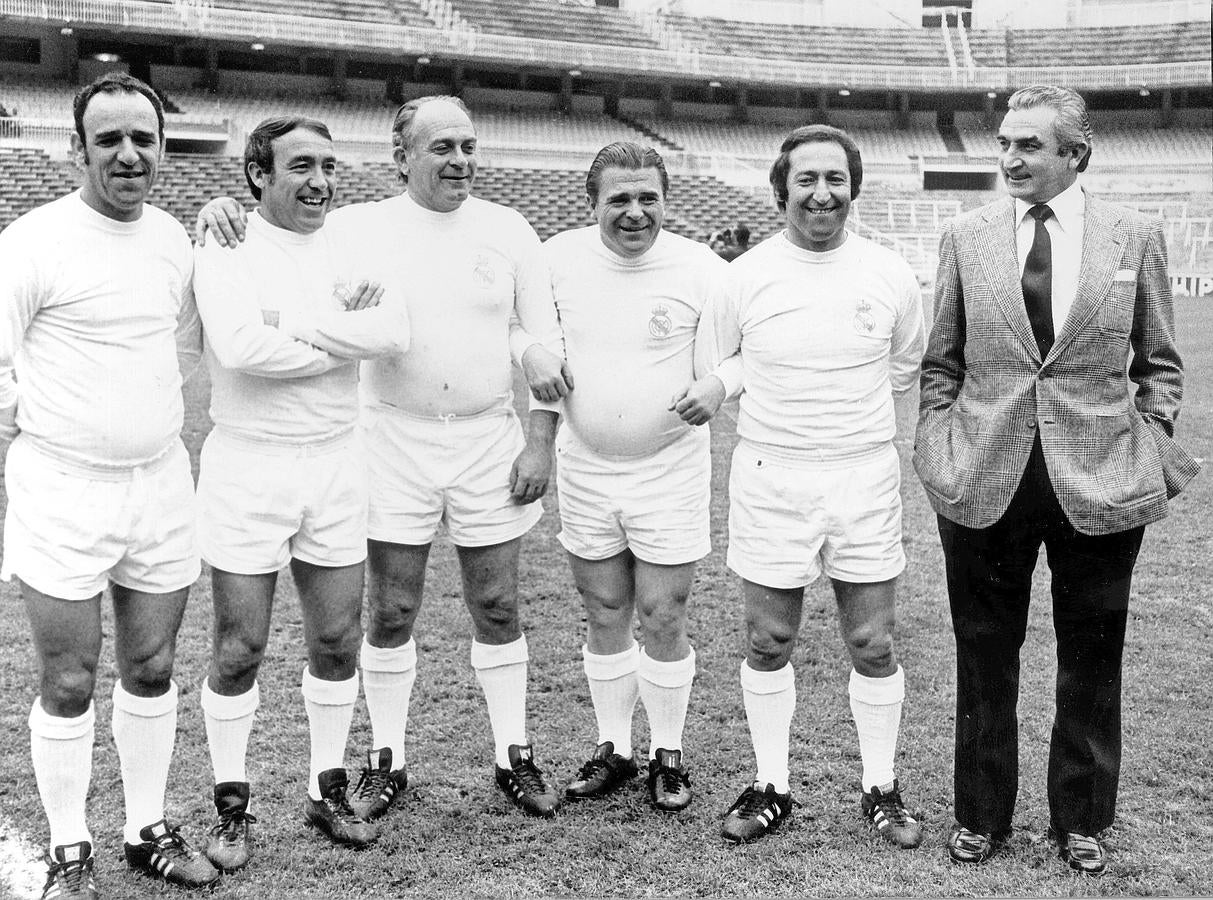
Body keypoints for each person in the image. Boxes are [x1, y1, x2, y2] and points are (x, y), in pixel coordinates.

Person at [196, 95, 571, 819]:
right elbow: (272, 231)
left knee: (498, 604)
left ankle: (513, 755)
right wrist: (217, 208)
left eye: (468, 146)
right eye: (441, 148)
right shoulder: (353, 227)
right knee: (391, 609)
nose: (459, 160)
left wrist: (539, 438)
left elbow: (540, 338)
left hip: (487, 437)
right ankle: (387, 759)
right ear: (402, 157)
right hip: (389, 439)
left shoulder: (509, 228)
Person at [914, 84, 1200, 875]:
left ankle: (1082, 817)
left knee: (1092, 655)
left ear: (1076, 153)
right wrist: (938, 445)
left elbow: (1159, 361)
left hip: (1100, 480)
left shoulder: (1133, 235)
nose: (1009, 158)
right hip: (982, 475)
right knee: (983, 653)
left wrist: (1150, 438)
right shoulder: (964, 236)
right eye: (1004, 143)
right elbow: (940, 363)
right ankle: (980, 815)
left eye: (1028, 145)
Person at [0, 72, 217, 899]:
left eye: (143, 139)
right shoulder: (32, 241)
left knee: (152, 666)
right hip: (62, 488)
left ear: (162, 149)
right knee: (68, 679)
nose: (129, 154)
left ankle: (144, 829)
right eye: (110, 139)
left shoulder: (171, 239)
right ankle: (68, 845)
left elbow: (185, 346)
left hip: (159, 484)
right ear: (77, 149)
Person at [192, 116, 411, 870]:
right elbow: (239, 348)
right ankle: (231, 806)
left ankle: (326, 787)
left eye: (328, 165)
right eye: (300, 166)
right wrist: (339, 335)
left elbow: (394, 332)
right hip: (248, 465)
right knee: (240, 647)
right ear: (258, 174)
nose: (319, 182)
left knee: (337, 641)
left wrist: (291, 326)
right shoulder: (225, 242)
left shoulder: (352, 244)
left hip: (336, 461)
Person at [704, 125, 926, 847]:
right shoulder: (743, 276)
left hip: (863, 474)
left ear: (853, 188)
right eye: (806, 179)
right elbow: (724, 366)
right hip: (772, 474)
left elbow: (903, 366)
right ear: (782, 189)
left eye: (835, 179)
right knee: (768, 639)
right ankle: (771, 784)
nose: (821, 194)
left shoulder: (889, 273)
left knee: (872, 642)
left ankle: (881, 787)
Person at [542, 142, 731, 812]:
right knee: (603, 610)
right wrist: (530, 350)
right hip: (585, 466)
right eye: (618, 198)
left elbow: (742, 353)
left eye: (648, 197)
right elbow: (519, 331)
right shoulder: (555, 260)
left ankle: (667, 752)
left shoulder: (701, 268)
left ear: (665, 199)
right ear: (591, 202)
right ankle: (614, 747)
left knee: (662, 613)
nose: (634, 212)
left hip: (669, 467)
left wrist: (718, 384)